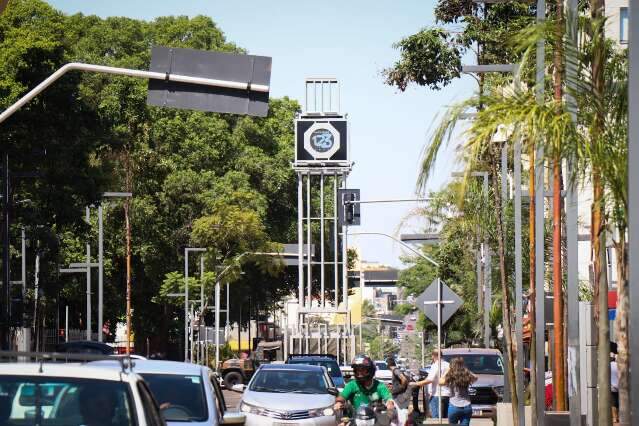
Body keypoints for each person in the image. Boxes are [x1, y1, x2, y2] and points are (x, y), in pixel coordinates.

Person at [409, 350, 450, 419]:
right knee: (444, 418)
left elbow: (430, 379)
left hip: (437, 395)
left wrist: (416, 384)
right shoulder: (448, 364)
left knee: (437, 419)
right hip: (447, 394)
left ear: (433, 356)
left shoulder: (436, 365)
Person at [441, 357, 477, 425]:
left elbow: (440, 382)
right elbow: (476, 377)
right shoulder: (466, 375)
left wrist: (448, 370)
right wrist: (465, 370)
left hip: (454, 406)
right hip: (467, 406)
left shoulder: (451, 376)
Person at [387, 357, 409, 425]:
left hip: (400, 398)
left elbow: (404, 379)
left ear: (388, 365)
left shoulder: (395, 370)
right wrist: (393, 387)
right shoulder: (396, 370)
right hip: (399, 397)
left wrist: (400, 388)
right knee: (398, 418)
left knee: (401, 418)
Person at [611, 353, 619, 423]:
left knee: (613, 403)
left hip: (612, 387)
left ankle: (614, 418)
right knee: (618, 403)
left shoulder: (610, 365)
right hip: (620, 387)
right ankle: (618, 417)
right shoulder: (619, 365)